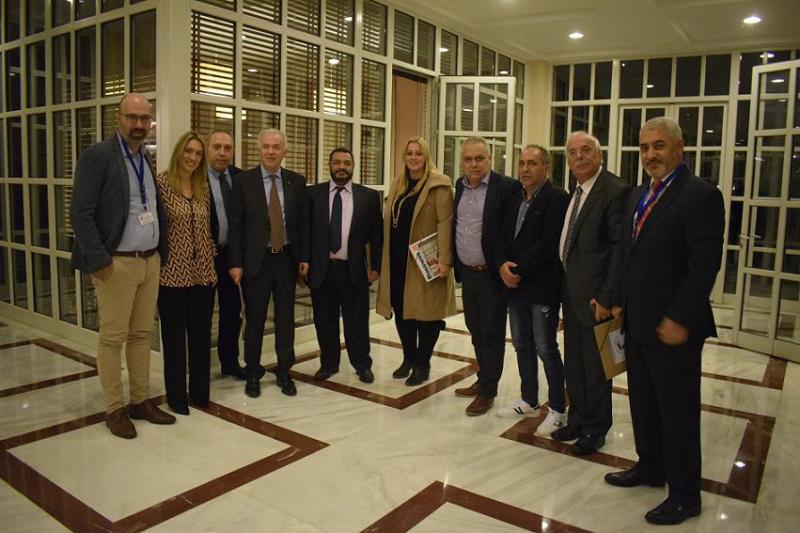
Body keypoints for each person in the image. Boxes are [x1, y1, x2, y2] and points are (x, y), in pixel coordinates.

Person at [605, 117, 724, 526]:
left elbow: (704, 266)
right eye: (644, 147)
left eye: (659, 146)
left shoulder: (701, 195)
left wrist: (679, 317)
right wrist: (620, 302)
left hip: (675, 328)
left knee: (678, 412)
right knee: (643, 403)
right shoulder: (639, 194)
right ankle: (650, 466)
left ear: (679, 148)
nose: (650, 154)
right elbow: (628, 253)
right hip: (638, 322)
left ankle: (685, 495)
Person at [70, 92, 175, 438]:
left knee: (142, 335)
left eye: (145, 118)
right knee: (113, 338)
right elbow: (80, 213)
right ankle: (114, 408)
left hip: (149, 261)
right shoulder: (98, 156)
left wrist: (160, 252)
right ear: (119, 118)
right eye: (133, 117)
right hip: (116, 264)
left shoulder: (145, 157)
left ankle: (140, 401)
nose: (139, 124)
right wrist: (100, 260)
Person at [553, 131, 628, 455]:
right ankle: (578, 420)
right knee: (575, 364)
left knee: (596, 370)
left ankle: (596, 428)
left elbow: (618, 250)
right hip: (572, 294)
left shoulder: (614, 190)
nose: (579, 156)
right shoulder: (578, 191)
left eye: (586, 150)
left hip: (596, 299)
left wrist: (607, 297)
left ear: (600, 155)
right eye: (573, 153)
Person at [228, 129, 308, 398]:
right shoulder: (243, 182)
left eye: (276, 147)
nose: (271, 151)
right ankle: (253, 372)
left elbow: (303, 225)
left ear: (284, 151)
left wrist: (304, 258)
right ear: (258, 149)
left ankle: (284, 371)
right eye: (266, 146)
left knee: (286, 319)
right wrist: (235, 262)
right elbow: (236, 226)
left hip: (286, 259)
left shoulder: (296, 181)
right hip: (256, 261)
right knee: (255, 320)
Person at [495, 145, 569, 435]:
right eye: (522, 163)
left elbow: (549, 244)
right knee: (521, 344)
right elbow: (502, 236)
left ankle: (558, 409)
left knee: (546, 348)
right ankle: (529, 399)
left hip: (541, 287)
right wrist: (502, 265)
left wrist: (516, 271)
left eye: (532, 163)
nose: (525, 168)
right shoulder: (516, 197)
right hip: (515, 288)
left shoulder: (557, 198)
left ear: (546, 168)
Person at [376, 137, 456, 386]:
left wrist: (445, 260)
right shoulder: (398, 183)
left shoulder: (439, 185)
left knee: (428, 314)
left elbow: (446, 223)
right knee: (403, 311)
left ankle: (423, 364)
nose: (413, 158)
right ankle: (408, 358)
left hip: (426, 262)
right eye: (409, 153)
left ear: (426, 156)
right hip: (398, 260)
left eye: (418, 153)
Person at [451, 137, 519, 416]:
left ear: (490, 159)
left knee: (491, 333)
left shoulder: (506, 187)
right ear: (462, 162)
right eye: (468, 159)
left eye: (479, 158)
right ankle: (483, 377)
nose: (474, 164)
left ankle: (488, 391)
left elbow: (510, 232)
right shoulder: (460, 186)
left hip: (491, 275)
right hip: (468, 273)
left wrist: (503, 263)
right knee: (475, 329)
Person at [304, 148, 382, 384]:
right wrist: (303, 262)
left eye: (346, 163)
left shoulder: (368, 196)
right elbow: (304, 231)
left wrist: (376, 266)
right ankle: (329, 363)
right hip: (322, 270)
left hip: (354, 270)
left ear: (353, 166)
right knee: (324, 321)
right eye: (337, 162)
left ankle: (362, 364)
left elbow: (377, 235)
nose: (341, 167)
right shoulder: (312, 194)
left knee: (357, 322)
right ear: (329, 165)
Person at [155, 131, 217, 415]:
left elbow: (209, 229)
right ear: (179, 152)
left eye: (198, 153)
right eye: (188, 151)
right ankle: (177, 397)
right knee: (174, 339)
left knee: (201, 336)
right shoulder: (161, 185)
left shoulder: (203, 188)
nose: (192, 157)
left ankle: (200, 394)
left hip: (203, 274)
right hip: (171, 275)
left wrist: (211, 259)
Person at [206, 130, 245, 379]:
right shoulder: (196, 178)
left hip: (233, 257)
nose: (222, 152)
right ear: (208, 149)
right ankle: (199, 367)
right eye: (217, 147)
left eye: (227, 148)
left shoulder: (240, 178)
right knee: (202, 314)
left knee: (232, 312)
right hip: (204, 257)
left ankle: (230, 363)